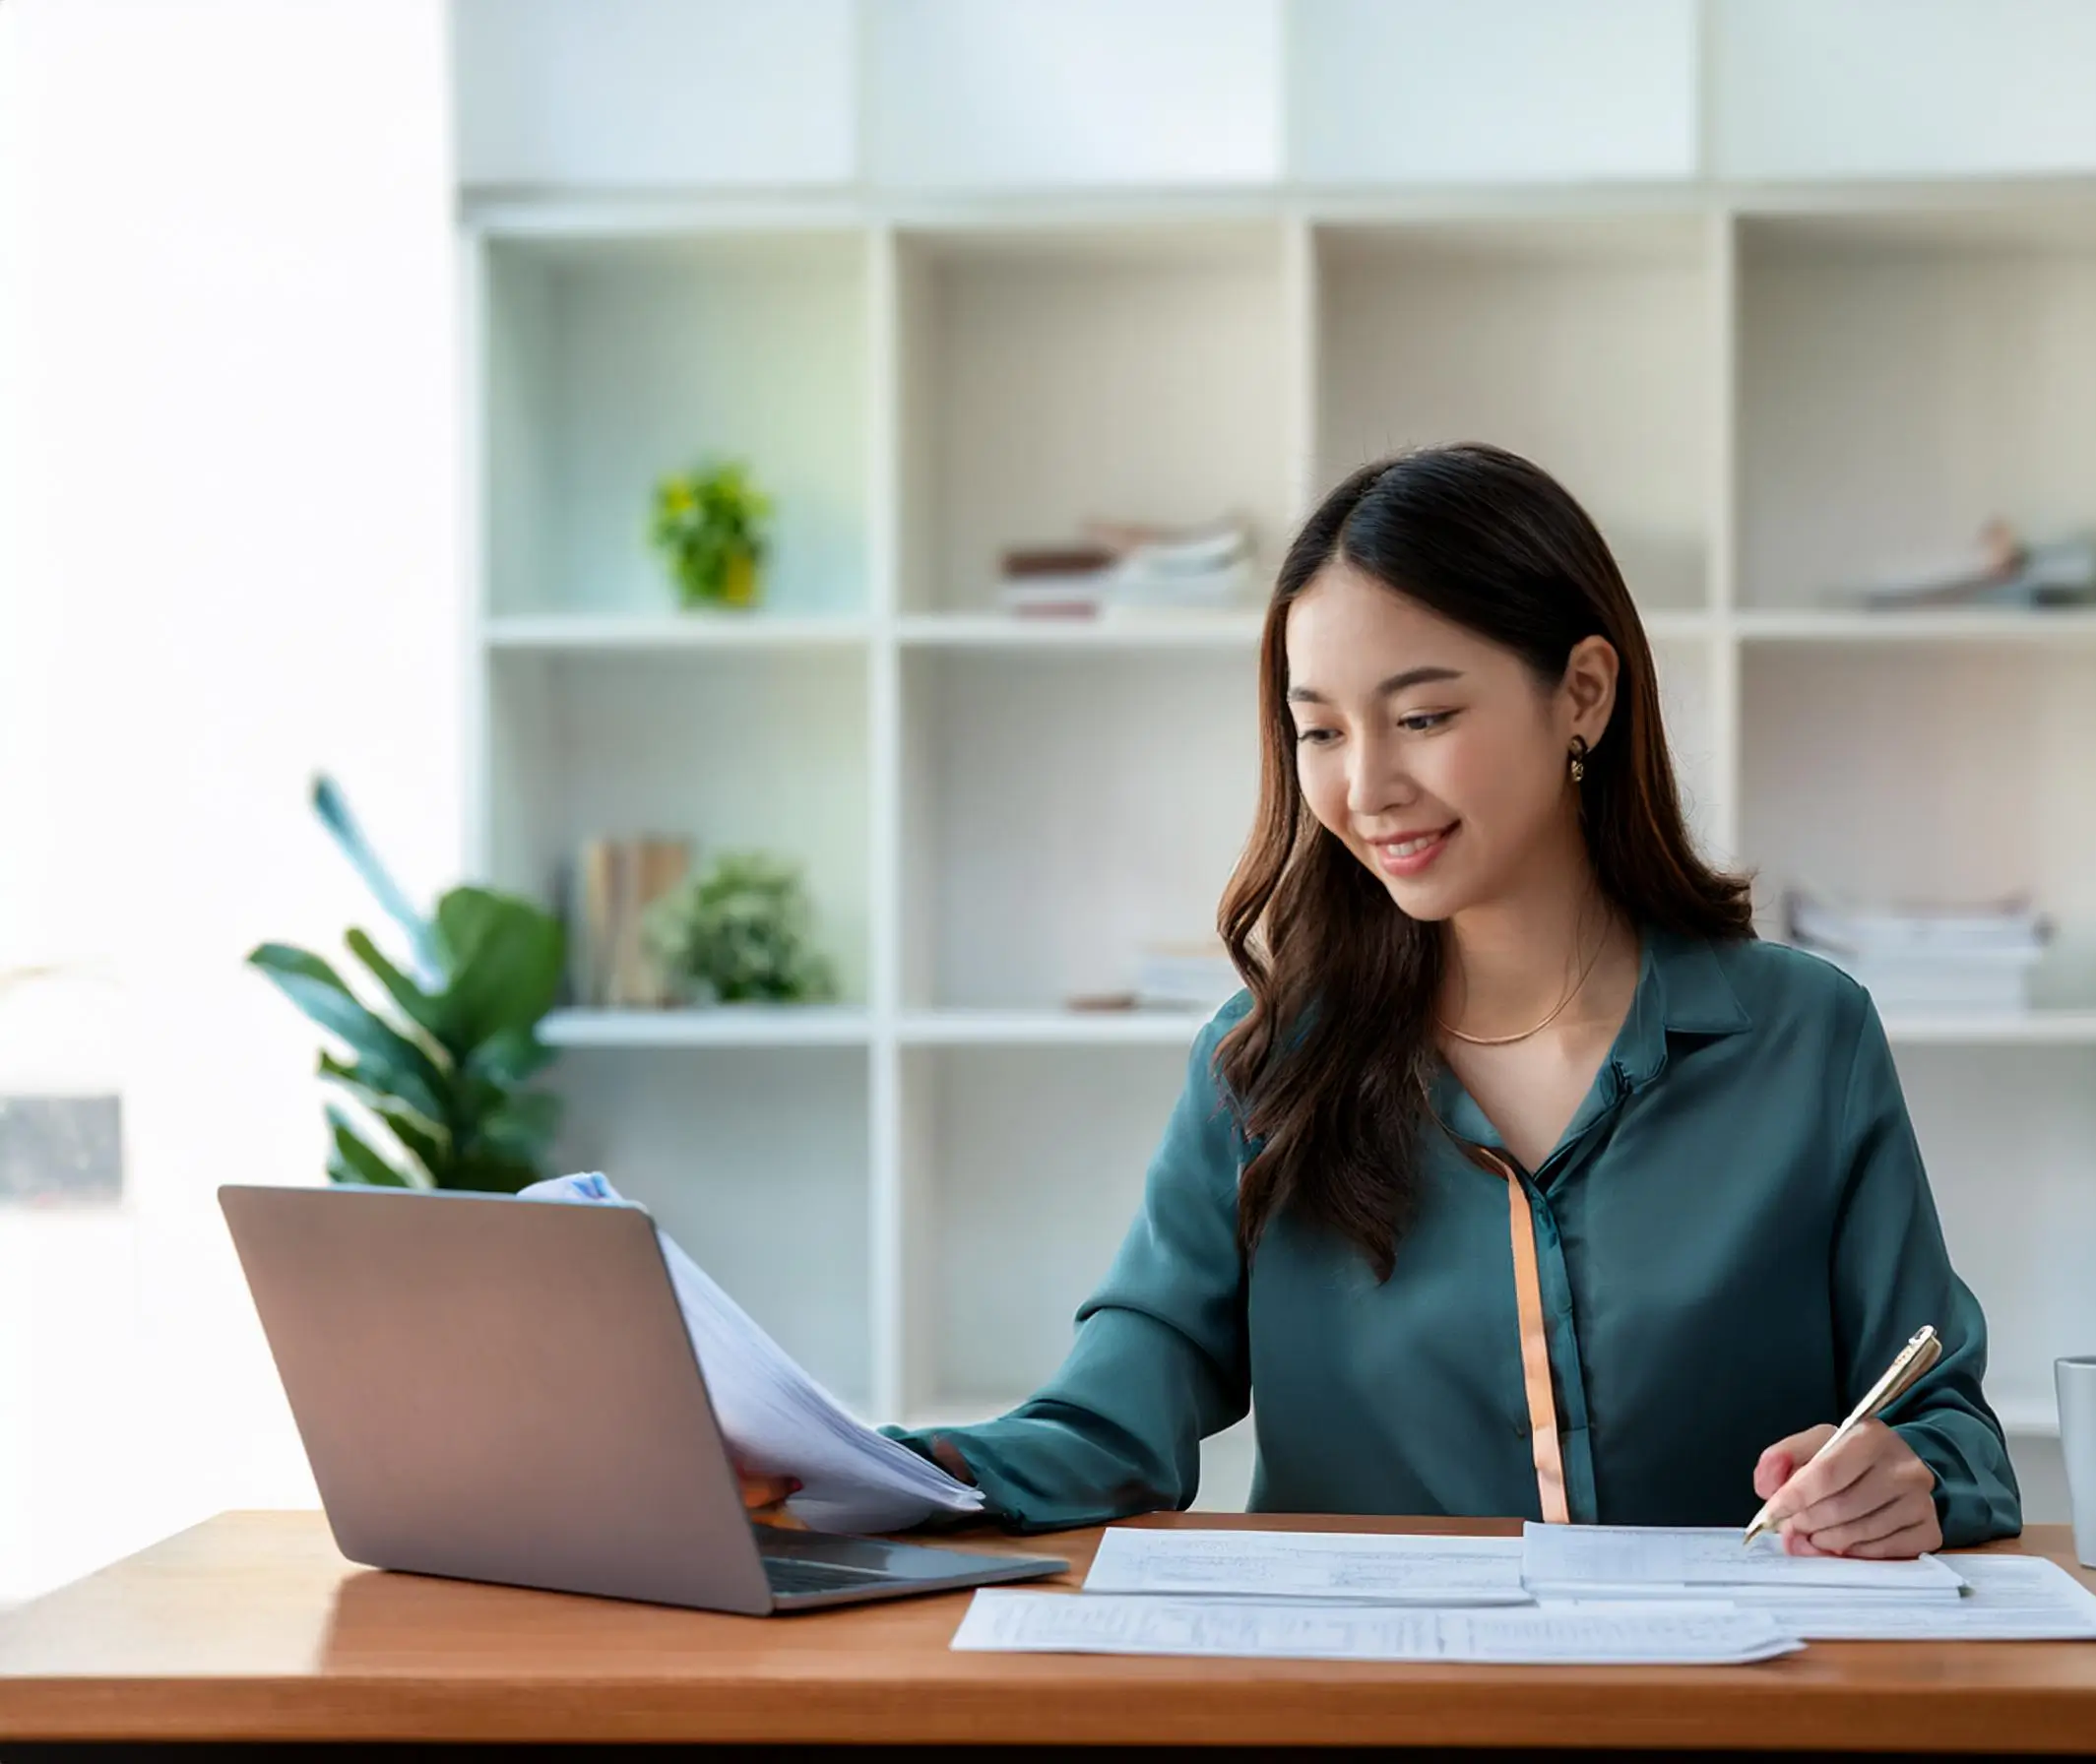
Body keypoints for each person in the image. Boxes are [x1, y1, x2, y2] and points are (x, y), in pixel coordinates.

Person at [746, 443, 2022, 1555]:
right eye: (1321, 731)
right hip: (1359, 1713)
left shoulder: (1804, 1040)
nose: (1365, 787)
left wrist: (1912, 1479)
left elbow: (1946, 1423)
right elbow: (1111, 1420)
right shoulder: (1262, 1069)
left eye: (1419, 716)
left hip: (1720, 1711)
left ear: (1582, 692)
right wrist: (885, 1469)